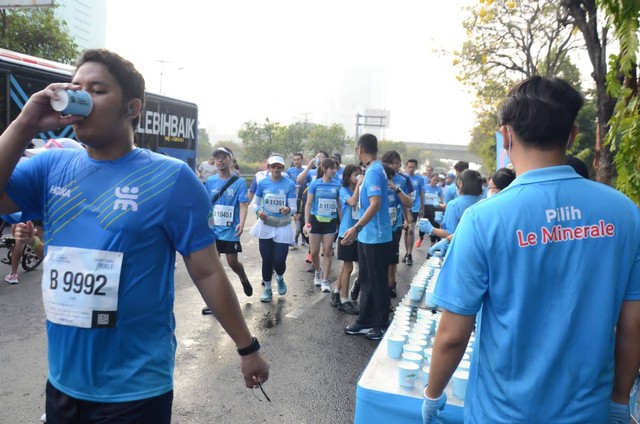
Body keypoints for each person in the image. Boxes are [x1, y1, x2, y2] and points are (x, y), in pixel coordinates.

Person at [0, 49, 269, 423]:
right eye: (76, 88)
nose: (82, 98)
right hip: (63, 384)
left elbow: (207, 271)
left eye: (97, 90)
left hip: (137, 390)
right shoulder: (51, 166)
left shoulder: (171, 179)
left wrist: (247, 347)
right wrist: (24, 124)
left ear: (132, 107)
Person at [422, 76, 640, 423]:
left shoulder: (484, 219)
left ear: (506, 135)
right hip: (588, 413)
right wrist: (618, 400)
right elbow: (633, 325)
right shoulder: (625, 213)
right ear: (571, 136)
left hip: (501, 414)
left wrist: (432, 395)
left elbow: (452, 335)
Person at [342, 134, 393, 341]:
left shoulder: (373, 172)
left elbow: (375, 203)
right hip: (368, 236)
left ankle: (380, 323)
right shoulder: (372, 170)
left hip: (377, 237)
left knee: (377, 281)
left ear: (360, 149)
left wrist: (356, 227)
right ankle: (365, 321)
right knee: (366, 280)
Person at [201, 146, 253, 315]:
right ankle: (213, 302)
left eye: (224, 157)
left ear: (231, 160)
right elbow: (206, 205)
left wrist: (242, 223)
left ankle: (243, 278)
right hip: (213, 229)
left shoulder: (238, 183)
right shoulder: (209, 182)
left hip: (230, 229)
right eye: (217, 158)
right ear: (214, 161)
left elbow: (243, 205)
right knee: (213, 266)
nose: (220, 161)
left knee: (232, 262)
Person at [250, 153, 297, 302]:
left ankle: (280, 277)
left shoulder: (289, 184)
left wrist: (288, 210)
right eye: (273, 166)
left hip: (282, 225)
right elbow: (256, 203)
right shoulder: (262, 182)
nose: (276, 169)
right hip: (266, 225)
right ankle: (268, 289)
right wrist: (258, 211)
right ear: (268, 167)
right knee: (267, 259)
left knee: (279, 260)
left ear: (283, 168)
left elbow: (294, 207)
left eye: (279, 166)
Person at [304, 157, 341, 293]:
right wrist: (307, 221)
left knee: (327, 251)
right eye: (332, 168)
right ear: (325, 169)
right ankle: (318, 272)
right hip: (315, 220)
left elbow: (339, 205)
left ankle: (325, 280)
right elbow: (308, 204)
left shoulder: (337, 185)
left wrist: (342, 223)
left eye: (336, 168)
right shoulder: (315, 184)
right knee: (314, 252)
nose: (334, 170)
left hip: (330, 222)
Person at [381, 150, 413, 298]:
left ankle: (390, 285)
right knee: (378, 259)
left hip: (395, 225)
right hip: (378, 227)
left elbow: (407, 203)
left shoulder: (402, 180)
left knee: (392, 258)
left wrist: (407, 218)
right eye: (392, 163)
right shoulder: (376, 177)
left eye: (397, 163)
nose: (395, 166)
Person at [333, 164, 362, 315]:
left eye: (359, 174)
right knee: (348, 267)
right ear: (348, 176)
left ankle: (336, 291)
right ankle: (344, 300)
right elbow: (352, 202)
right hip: (345, 233)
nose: (358, 177)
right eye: (355, 174)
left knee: (346, 267)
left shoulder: (360, 190)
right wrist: (359, 185)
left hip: (357, 233)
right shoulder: (343, 190)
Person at [403, 158, 424, 266]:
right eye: (409, 167)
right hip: (403, 208)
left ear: (416, 168)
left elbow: (421, 193)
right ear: (406, 167)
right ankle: (406, 252)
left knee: (411, 230)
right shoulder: (402, 178)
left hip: (414, 207)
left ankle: (410, 253)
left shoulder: (420, 179)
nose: (411, 169)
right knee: (406, 231)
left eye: (413, 167)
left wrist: (422, 207)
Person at [416, 174, 444, 248]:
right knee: (423, 225)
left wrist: (443, 207)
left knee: (434, 226)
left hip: (435, 209)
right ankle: (421, 238)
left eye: (437, 180)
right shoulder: (425, 187)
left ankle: (432, 244)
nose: (436, 182)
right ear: (430, 179)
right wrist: (420, 209)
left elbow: (442, 199)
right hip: (425, 208)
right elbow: (421, 198)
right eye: (434, 180)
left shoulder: (439, 189)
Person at [287, 152, 305, 246]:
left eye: (298, 159)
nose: (296, 161)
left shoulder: (305, 171)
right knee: (294, 219)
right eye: (295, 160)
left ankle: (303, 237)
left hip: (301, 196)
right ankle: (295, 239)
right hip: (292, 196)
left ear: (302, 160)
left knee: (301, 218)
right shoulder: (289, 171)